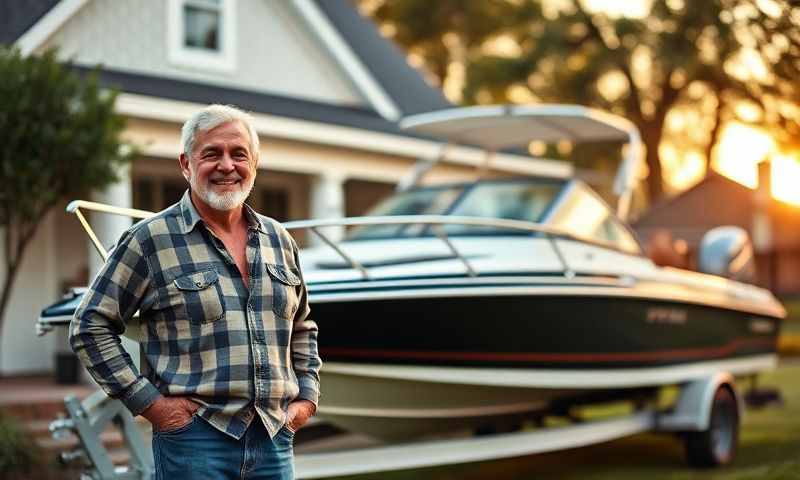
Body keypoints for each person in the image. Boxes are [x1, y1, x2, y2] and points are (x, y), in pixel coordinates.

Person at [70, 104, 321, 479]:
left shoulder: (279, 240)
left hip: (274, 438)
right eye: (211, 154)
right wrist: (151, 405)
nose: (226, 165)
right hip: (194, 441)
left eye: (239, 154)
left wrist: (306, 401)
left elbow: (301, 327)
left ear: (254, 162)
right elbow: (90, 326)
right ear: (186, 164)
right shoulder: (149, 240)